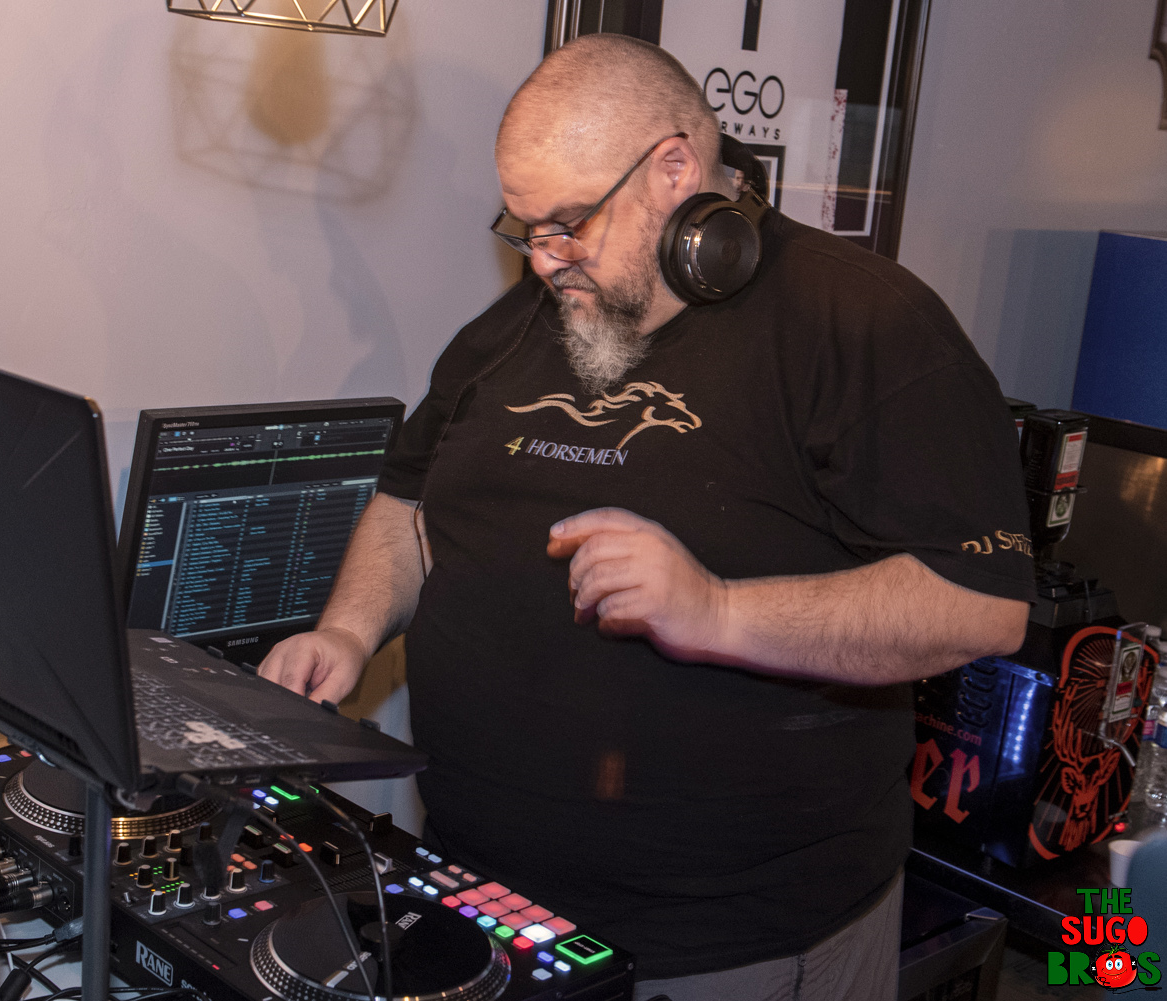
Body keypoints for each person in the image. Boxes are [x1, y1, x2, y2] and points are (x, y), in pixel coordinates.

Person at [259, 34, 1033, 1001]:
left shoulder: (865, 322)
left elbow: (979, 604)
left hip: (734, 943)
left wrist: (717, 611)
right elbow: (409, 503)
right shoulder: (508, 332)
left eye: (569, 223)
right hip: (480, 902)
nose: (547, 260)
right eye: (526, 229)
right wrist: (348, 629)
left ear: (674, 170)